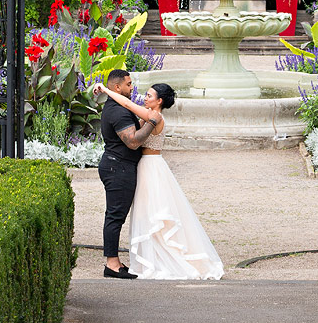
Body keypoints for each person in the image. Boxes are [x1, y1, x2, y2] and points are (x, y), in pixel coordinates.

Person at [100, 80, 224, 280]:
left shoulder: (154, 116)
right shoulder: (150, 114)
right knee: (148, 213)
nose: (145, 97)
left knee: (154, 213)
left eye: (149, 96)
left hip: (151, 166)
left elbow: (128, 105)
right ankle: (152, 255)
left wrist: (105, 89)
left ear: (159, 101)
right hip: (147, 165)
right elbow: (128, 106)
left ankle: (158, 258)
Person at [95, 68, 162, 279]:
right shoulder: (118, 111)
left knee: (116, 215)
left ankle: (114, 261)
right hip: (118, 168)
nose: (132, 88)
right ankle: (112, 264)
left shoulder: (119, 107)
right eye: (128, 84)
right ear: (117, 87)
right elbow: (132, 142)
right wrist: (151, 122)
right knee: (115, 215)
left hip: (119, 166)